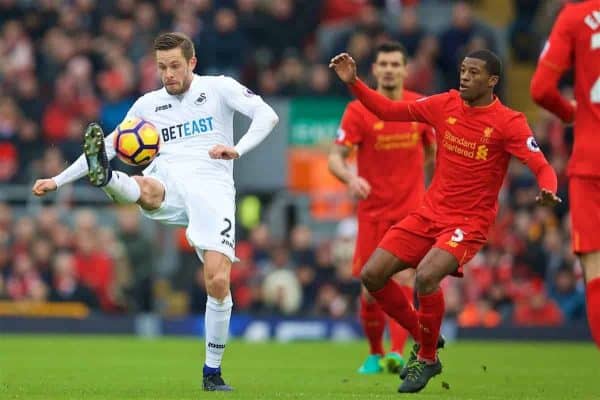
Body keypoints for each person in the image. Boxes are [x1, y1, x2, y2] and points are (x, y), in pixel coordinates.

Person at [32, 32, 279, 392]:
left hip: (213, 186)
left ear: (191, 63)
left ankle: (212, 372)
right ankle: (110, 180)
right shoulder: (148, 105)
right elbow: (108, 145)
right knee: (146, 189)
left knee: (218, 282)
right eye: (162, 67)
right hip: (170, 179)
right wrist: (58, 179)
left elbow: (267, 116)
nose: (168, 74)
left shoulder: (219, 88)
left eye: (175, 66)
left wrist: (237, 149)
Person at [330, 49, 561, 393]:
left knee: (425, 277)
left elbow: (541, 165)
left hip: (469, 222)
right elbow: (387, 110)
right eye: (463, 70)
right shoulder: (444, 104)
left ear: (492, 81)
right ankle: (426, 334)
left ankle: (425, 358)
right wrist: (355, 83)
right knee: (372, 275)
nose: (465, 77)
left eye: (474, 72)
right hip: (428, 213)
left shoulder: (509, 122)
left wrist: (547, 189)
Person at [328, 41, 435, 375]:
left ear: (405, 69)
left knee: (405, 276)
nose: (389, 69)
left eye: (395, 64)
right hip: (373, 213)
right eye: (383, 64)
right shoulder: (358, 110)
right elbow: (335, 158)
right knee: (371, 288)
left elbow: (431, 153)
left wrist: (421, 187)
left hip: (411, 212)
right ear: (374, 70)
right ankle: (375, 353)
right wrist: (350, 178)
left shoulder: (419, 105)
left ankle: (396, 352)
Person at [530, 0, 600, 349]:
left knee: (596, 272)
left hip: (592, 161)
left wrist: (572, 112)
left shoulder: (574, 16)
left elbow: (541, 89)